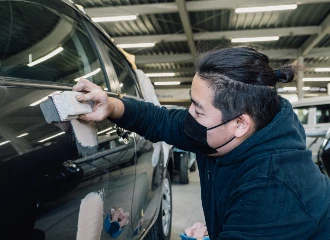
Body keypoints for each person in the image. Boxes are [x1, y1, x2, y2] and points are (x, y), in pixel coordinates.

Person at [73, 46, 330, 239]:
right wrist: (112, 105)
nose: (189, 116)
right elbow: (160, 120)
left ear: (240, 123)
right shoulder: (222, 133)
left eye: (198, 109)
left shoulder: (275, 187)